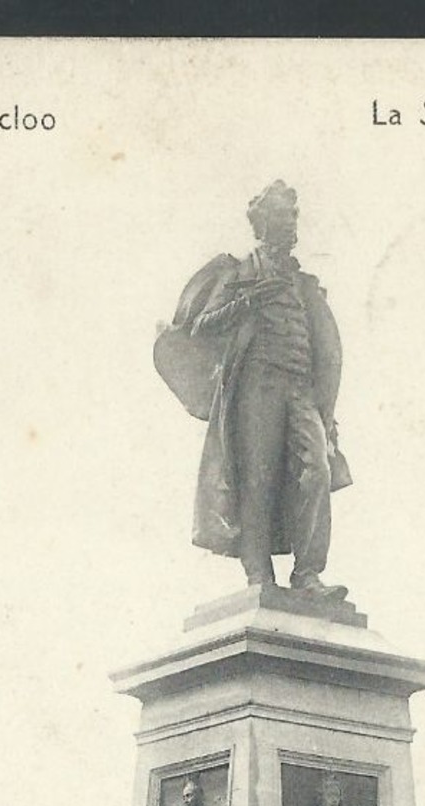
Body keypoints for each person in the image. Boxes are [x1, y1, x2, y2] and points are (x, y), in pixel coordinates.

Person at [155, 181, 352, 597]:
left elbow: (324, 348)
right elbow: (200, 326)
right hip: (257, 388)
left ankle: (307, 573)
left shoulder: (303, 282)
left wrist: (327, 411)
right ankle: (259, 574)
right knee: (258, 482)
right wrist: (249, 301)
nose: (292, 222)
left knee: (316, 468)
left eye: (294, 214)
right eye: (284, 214)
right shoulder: (239, 271)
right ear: (263, 222)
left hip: (300, 389)